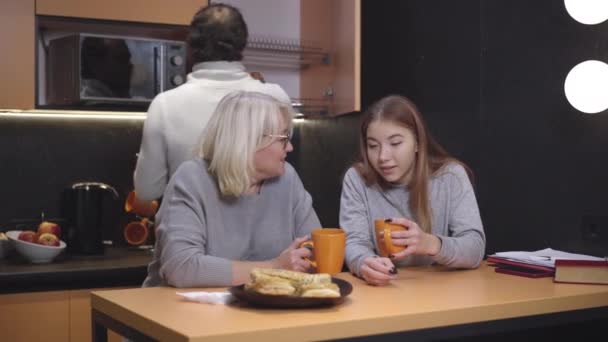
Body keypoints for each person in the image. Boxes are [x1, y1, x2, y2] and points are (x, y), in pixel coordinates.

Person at [142, 91, 320, 288]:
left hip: (258, 310)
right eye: (283, 138)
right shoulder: (192, 179)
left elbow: (316, 247)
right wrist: (274, 268)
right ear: (250, 140)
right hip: (178, 312)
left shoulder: (287, 178)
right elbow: (182, 268)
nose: (290, 148)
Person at [133, 3, 290, 201]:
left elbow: (147, 192)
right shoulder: (275, 98)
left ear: (192, 45)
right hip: (258, 228)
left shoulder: (164, 105)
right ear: (242, 43)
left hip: (186, 225)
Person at [339, 95, 485, 286]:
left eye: (395, 143)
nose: (383, 156)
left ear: (417, 142)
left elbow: (475, 248)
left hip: (441, 293)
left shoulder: (451, 176)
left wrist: (431, 244)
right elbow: (354, 242)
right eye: (373, 146)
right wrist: (365, 263)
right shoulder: (357, 179)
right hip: (384, 293)